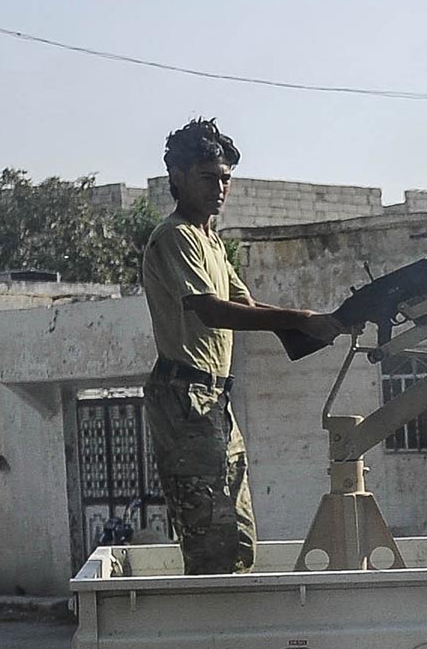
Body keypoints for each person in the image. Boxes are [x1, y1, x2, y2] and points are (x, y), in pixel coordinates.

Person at [142, 119, 346, 575]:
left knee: (236, 533)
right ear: (176, 176)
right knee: (211, 538)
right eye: (208, 177)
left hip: (212, 398)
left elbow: (246, 305)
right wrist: (300, 320)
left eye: (226, 179)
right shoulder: (175, 236)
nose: (220, 188)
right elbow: (212, 311)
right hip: (186, 398)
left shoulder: (211, 242)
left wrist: (329, 321)